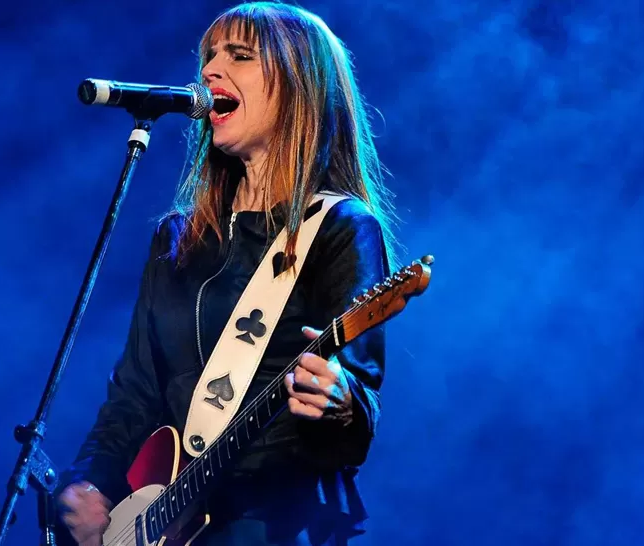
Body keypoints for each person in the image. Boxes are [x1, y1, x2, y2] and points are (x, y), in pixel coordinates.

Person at [55, 2, 402, 545]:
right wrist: (88, 483)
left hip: (270, 521)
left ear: (298, 85)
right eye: (209, 57)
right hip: (163, 522)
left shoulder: (339, 228)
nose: (211, 71)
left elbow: (353, 404)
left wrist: (342, 407)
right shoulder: (178, 238)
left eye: (238, 56)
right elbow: (135, 392)